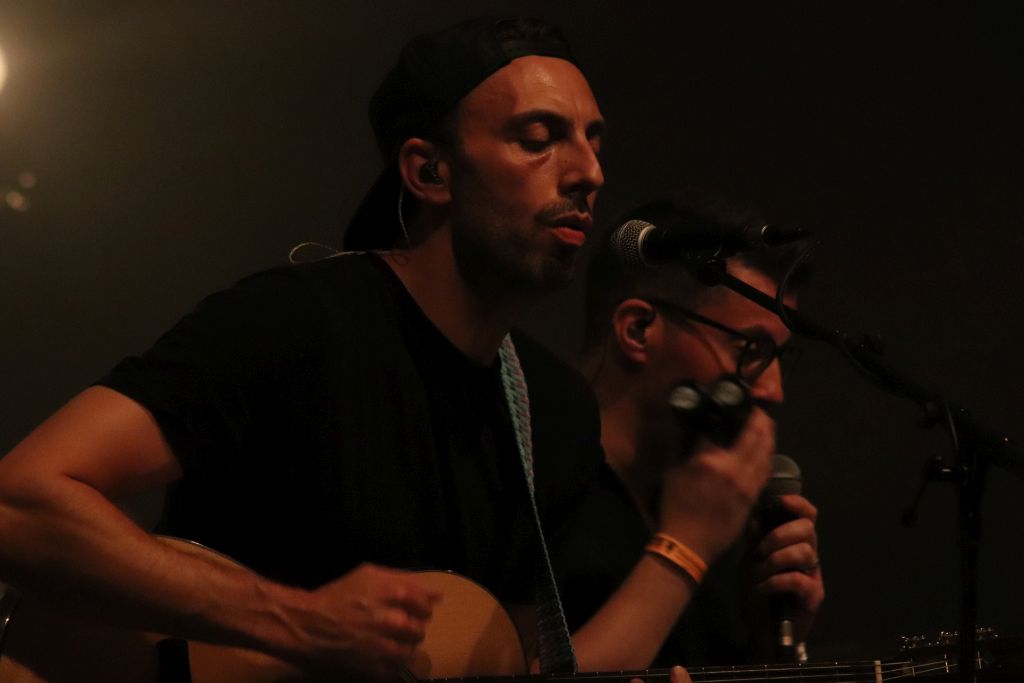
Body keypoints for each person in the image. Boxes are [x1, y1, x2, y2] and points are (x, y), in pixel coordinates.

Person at [0, 16, 691, 683]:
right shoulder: (296, 323)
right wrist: (296, 621)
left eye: (593, 141)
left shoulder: (557, 415)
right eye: (539, 138)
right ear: (429, 172)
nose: (590, 171)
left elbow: (510, 660)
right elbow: (20, 500)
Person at [554, 198, 825, 668]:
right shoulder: (537, 483)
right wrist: (686, 547)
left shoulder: (700, 496)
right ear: (638, 330)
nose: (774, 390)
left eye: (781, 357)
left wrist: (772, 644)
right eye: (751, 349)